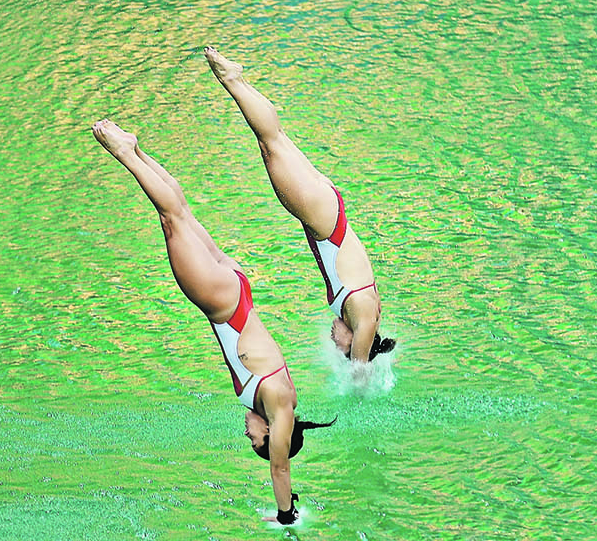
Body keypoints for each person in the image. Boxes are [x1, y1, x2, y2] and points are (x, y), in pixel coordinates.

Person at [90, 118, 334, 524]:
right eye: (256, 440)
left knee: (179, 214)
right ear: (273, 436)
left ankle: (136, 150)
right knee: (171, 218)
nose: (248, 435)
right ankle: (124, 153)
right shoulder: (280, 409)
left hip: (234, 291)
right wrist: (286, 515)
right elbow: (280, 468)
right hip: (223, 304)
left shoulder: (281, 401)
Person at [204, 47, 396, 364]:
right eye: (341, 346)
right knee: (269, 142)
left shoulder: (366, 311)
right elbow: (359, 373)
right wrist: (362, 372)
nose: (335, 342)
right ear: (356, 343)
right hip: (324, 222)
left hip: (328, 212)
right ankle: (232, 80)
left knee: (274, 139)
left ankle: (238, 79)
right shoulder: (364, 319)